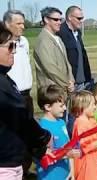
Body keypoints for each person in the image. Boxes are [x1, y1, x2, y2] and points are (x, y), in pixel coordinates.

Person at [0, 21, 51, 179]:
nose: (13, 51)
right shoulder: (2, 85)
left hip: (12, 159)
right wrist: (43, 139)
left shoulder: (5, 79)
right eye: (10, 46)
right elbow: (21, 116)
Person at [3, 10, 35, 177]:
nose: (23, 26)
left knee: (27, 136)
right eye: (18, 23)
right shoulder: (4, 45)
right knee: (15, 136)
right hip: (10, 97)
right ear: (7, 24)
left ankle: (25, 168)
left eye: (23, 23)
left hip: (26, 95)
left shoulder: (25, 42)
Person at [36, 85, 81, 180]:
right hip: (50, 176)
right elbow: (44, 156)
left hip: (65, 173)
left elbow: (69, 147)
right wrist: (66, 155)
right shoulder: (42, 128)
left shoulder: (61, 122)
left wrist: (72, 170)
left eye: (64, 104)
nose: (65, 108)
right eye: (61, 106)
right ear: (48, 107)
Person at [34, 7, 75, 92]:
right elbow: (50, 68)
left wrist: (71, 80)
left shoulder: (58, 38)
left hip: (64, 89)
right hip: (51, 92)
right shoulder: (43, 40)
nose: (59, 22)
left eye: (61, 20)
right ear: (46, 20)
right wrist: (67, 83)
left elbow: (67, 63)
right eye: (56, 20)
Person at [57, 6, 93, 91]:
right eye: (79, 18)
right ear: (69, 17)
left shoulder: (78, 33)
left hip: (82, 82)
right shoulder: (60, 33)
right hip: (70, 84)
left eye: (82, 18)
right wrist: (67, 80)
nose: (81, 21)